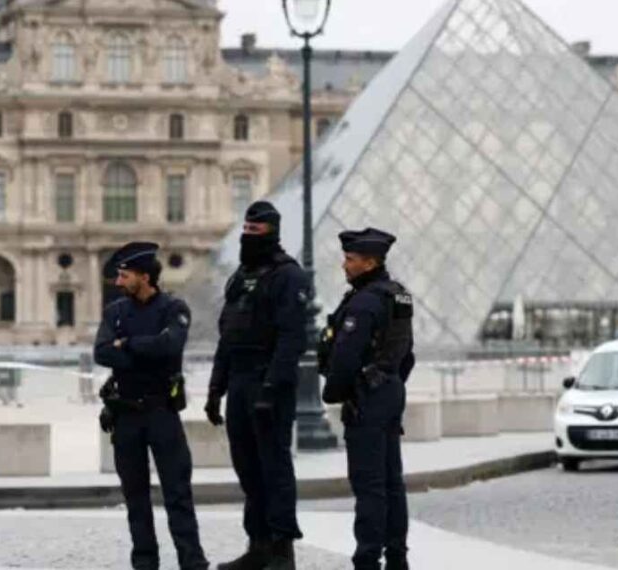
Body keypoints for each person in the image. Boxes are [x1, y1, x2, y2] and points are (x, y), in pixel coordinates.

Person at [206, 202, 310, 570]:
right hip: (239, 380)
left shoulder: (289, 276)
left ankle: (283, 550)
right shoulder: (240, 276)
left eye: (256, 231)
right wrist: (215, 389)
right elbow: (227, 336)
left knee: (274, 468)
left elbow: (291, 338)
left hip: (270, 382)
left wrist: (271, 387)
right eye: (245, 230)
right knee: (247, 467)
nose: (248, 237)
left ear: (272, 232)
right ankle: (258, 545)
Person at [94, 242, 208, 570]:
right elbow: (102, 352)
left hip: (162, 413)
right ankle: (145, 562)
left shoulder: (174, 308)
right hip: (126, 414)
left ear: (145, 277)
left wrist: (127, 345)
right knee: (135, 498)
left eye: (124, 276)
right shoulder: (115, 312)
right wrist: (146, 350)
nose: (117, 282)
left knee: (178, 495)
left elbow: (171, 346)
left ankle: (192, 562)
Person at [319, 228, 415, 570]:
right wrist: (390, 383)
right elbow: (407, 356)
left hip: (367, 397)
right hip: (389, 392)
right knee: (392, 483)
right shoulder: (399, 296)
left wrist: (335, 392)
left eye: (350, 259)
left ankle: (367, 559)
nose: (344, 265)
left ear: (369, 262)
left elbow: (345, 357)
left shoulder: (363, 302)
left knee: (369, 485)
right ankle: (397, 558)